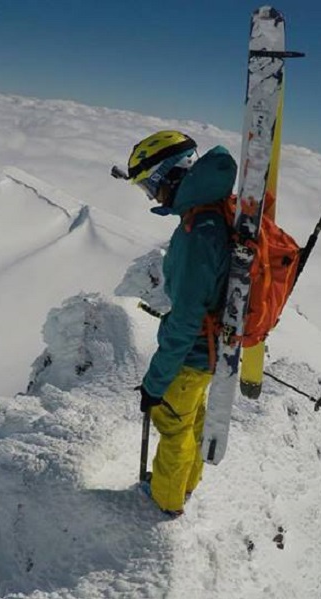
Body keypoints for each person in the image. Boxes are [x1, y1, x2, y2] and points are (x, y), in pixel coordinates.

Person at [123, 130, 237, 518]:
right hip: (212, 349)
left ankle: (165, 502)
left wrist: (155, 383)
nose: (153, 197)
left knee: (172, 424)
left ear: (171, 175)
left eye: (151, 185)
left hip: (192, 354)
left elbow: (187, 319)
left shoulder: (197, 232)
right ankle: (184, 486)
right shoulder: (215, 211)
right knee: (192, 420)